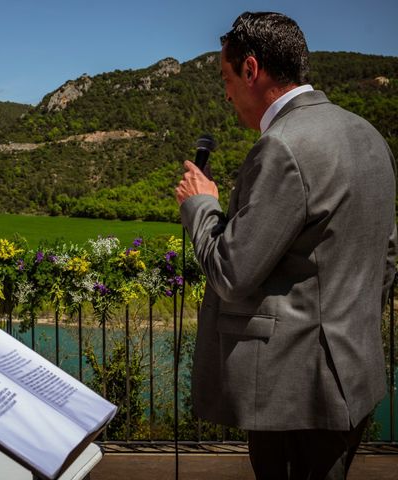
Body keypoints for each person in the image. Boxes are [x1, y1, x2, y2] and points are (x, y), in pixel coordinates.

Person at [174, 12, 396, 480]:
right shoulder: (369, 136)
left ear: (251, 70)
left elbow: (232, 273)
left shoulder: (283, 146)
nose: (226, 93)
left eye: (226, 78)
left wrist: (201, 206)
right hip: (355, 376)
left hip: (295, 392)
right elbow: (387, 254)